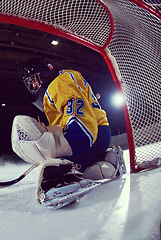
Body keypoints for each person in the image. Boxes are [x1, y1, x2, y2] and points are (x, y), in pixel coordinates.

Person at [12, 57, 124, 202]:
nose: (33, 84)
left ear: (44, 73)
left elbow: (81, 117)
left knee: (21, 124)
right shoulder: (66, 78)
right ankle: (106, 163)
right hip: (99, 134)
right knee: (84, 169)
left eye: (33, 79)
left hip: (89, 134)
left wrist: (65, 154)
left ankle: (64, 178)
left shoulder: (58, 84)